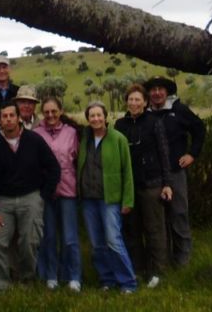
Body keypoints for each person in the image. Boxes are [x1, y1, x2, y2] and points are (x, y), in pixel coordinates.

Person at [0, 102, 61, 291]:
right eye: (5, 116)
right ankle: (2, 285)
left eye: (12, 115)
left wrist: (44, 195)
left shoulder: (34, 140)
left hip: (31, 197)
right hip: (4, 200)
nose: (8, 119)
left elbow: (53, 168)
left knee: (29, 241)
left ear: (19, 117)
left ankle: (26, 279)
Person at [114, 83, 173, 288]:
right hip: (129, 186)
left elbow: (164, 153)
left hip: (152, 183)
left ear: (145, 102)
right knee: (132, 229)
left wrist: (167, 183)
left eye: (138, 99)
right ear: (127, 102)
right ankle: (136, 269)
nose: (134, 103)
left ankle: (157, 271)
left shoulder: (154, 122)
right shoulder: (120, 125)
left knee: (154, 229)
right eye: (131, 99)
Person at [145, 75, 206, 267]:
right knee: (159, 219)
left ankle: (182, 260)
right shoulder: (145, 114)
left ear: (167, 91)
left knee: (179, 213)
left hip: (175, 171)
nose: (156, 93)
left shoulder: (178, 110)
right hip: (154, 175)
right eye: (153, 90)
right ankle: (161, 259)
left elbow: (199, 129)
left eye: (160, 89)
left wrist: (192, 154)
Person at [78, 101, 137, 293]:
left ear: (105, 116)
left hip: (110, 199)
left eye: (99, 115)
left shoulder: (118, 138)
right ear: (88, 119)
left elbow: (127, 171)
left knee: (113, 240)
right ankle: (107, 279)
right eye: (92, 116)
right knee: (97, 243)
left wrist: (128, 200)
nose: (96, 119)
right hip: (88, 199)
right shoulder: (84, 138)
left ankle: (128, 282)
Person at [33, 96, 82, 291]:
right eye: (47, 112)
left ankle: (73, 276)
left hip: (68, 190)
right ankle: (51, 275)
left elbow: (77, 159)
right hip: (46, 192)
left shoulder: (72, 132)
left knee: (70, 237)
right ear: (42, 113)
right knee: (49, 236)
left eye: (54, 111)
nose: (50, 115)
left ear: (60, 111)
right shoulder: (36, 133)